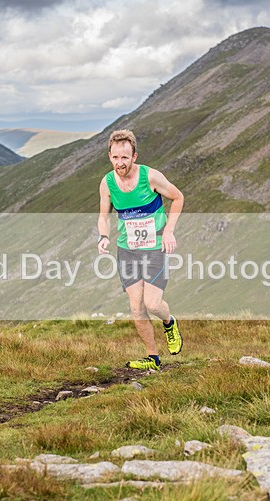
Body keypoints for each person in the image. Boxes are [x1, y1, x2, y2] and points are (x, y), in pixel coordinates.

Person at [97, 129, 184, 370]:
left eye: (125, 157)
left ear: (134, 156)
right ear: (110, 156)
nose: (119, 163)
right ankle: (153, 358)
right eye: (115, 157)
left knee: (153, 304)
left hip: (155, 246)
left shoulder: (150, 177)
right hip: (127, 249)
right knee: (136, 307)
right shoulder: (107, 183)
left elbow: (178, 198)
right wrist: (103, 236)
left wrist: (168, 231)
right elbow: (103, 216)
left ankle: (169, 322)